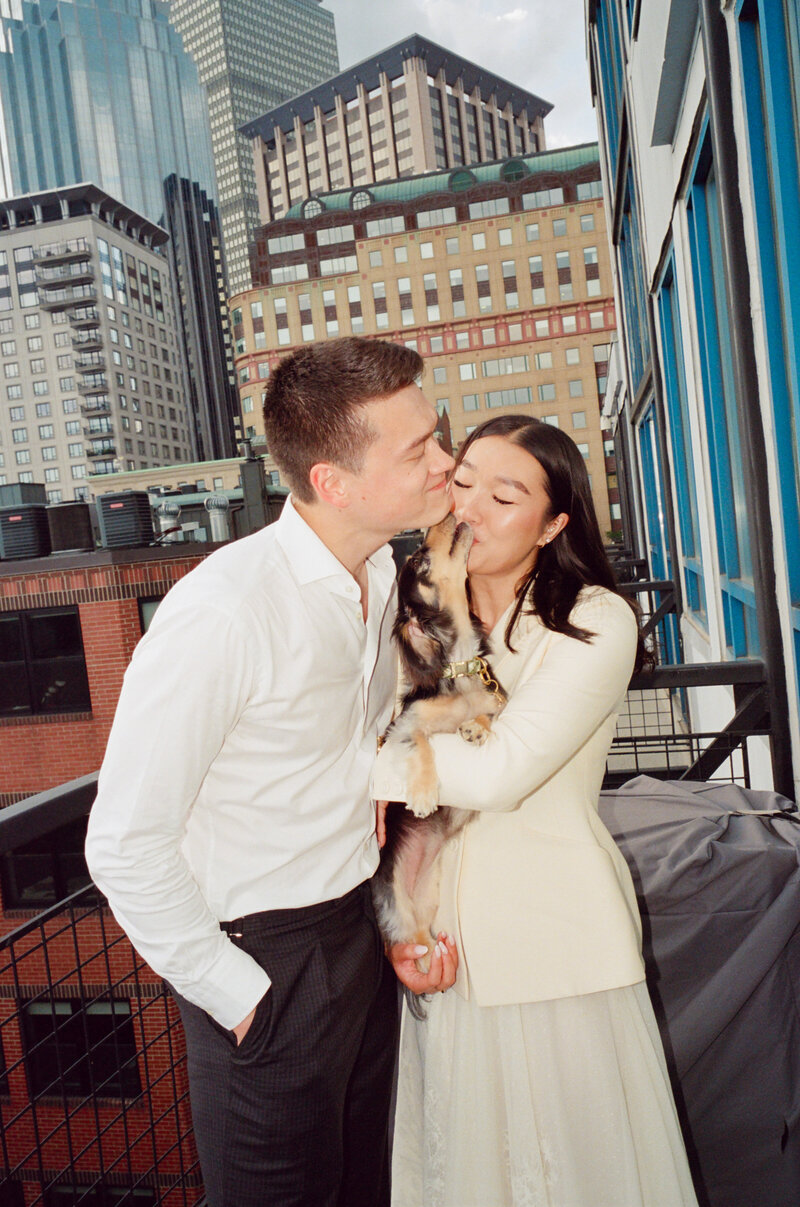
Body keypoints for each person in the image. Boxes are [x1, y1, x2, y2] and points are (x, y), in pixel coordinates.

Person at [84, 337, 455, 1207]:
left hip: (355, 935)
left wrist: (371, 779)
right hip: (265, 965)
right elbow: (124, 842)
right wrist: (238, 996)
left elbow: (356, 723)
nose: (446, 461)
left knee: (365, 1189)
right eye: (419, 450)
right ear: (335, 481)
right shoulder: (224, 612)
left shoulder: (376, 569)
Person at [374, 414, 699, 1207]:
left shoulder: (593, 620)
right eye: (464, 482)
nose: (472, 507)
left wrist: (355, 768)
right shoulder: (418, 608)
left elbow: (498, 772)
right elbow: (413, 793)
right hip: (449, 945)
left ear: (555, 522)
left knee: (586, 1176)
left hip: (558, 947)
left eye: (505, 493)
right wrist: (401, 923)